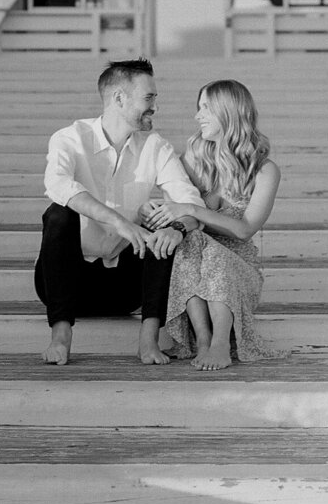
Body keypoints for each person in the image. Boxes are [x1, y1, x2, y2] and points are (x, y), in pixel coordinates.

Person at [35, 58, 204, 366]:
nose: (155, 106)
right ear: (119, 99)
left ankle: (148, 340)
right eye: (149, 97)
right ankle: (60, 338)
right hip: (66, 282)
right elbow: (57, 184)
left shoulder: (155, 146)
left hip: (126, 287)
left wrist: (175, 228)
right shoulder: (70, 138)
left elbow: (190, 201)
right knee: (58, 214)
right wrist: (120, 222)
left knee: (162, 223)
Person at [142, 79, 281, 370]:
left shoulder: (264, 170)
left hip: (238, 266)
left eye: (205, 107)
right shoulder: (193, 158)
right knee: (191, 241)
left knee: (211, 251)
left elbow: (244, 229)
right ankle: (202, 340)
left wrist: (193, 208)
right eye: (199, 107)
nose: (197, 115)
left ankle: (220, 343)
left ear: (228, 111)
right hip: (193, 261)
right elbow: (178, 215)